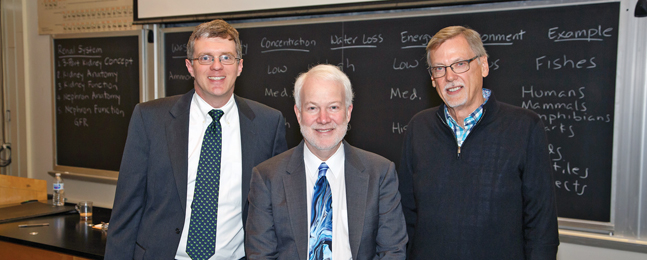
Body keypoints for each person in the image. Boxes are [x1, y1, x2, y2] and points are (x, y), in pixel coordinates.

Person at [105, 19, 287, 260]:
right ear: (190, 67)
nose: (216, 67)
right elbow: (126, 211)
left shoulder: (268, 124)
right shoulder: (149, 119)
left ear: (239, 66)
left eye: (226, 58)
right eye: (205, 58)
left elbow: (275, 213)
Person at [398, 26, 559, 259]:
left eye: (460, 63)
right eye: (439, 69)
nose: (450, 77)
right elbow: (406, 216)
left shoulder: (525, 127)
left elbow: (542, 227)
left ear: (483, 65)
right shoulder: (418, 128)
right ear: (433, 79)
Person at [245, 64, 408, 260]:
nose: (323, 119)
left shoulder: (380, 173)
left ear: (348, 112)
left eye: (333, 107)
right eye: (312, 108)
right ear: (298, 114)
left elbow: (393, 252)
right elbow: (260, 255)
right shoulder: (267, 177)